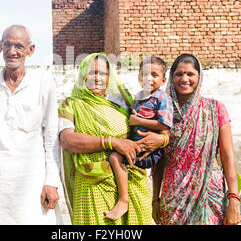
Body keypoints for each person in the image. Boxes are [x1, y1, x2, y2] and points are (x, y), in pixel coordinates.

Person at [0, 24, 62, 224]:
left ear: (30, 50)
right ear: (0, 47)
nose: (12, 51)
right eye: (7, 45)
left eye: (18, 46)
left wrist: (52, 181)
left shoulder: (43, 82)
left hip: (31, 180)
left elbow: (51, 134)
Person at [58, 52, 166, 225]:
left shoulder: (123, 104)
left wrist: (162, 140)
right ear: (83, 75)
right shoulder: (71, 104)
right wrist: (112, 142)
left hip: (133, 183)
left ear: (109, 77)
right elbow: (67, 141)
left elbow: (153, 128)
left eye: (103, 73)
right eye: (92, 72)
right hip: (92, 185)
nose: (97, 78)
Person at [152, 53, 241, 225]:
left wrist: (234, 201)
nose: (184, 79)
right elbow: (159, 160)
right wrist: (155, 199)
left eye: (190, 74)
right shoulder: (163, 112)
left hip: (209, 196)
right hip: (173, 199)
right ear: (171, 77)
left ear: (199, 77)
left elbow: (228, 157)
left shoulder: (215, 109)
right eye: (179, 74)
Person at [105, 57, 173, 220]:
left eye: (154, 75)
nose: (148, 78)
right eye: (144, 74)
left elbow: (165, 126)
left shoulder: (162, 98)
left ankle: (123, 200)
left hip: (150, 150)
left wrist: (139, 121)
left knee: (115, 157)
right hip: (137, 145)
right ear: (138, 77)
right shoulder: (137, 97)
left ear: (163, 80)